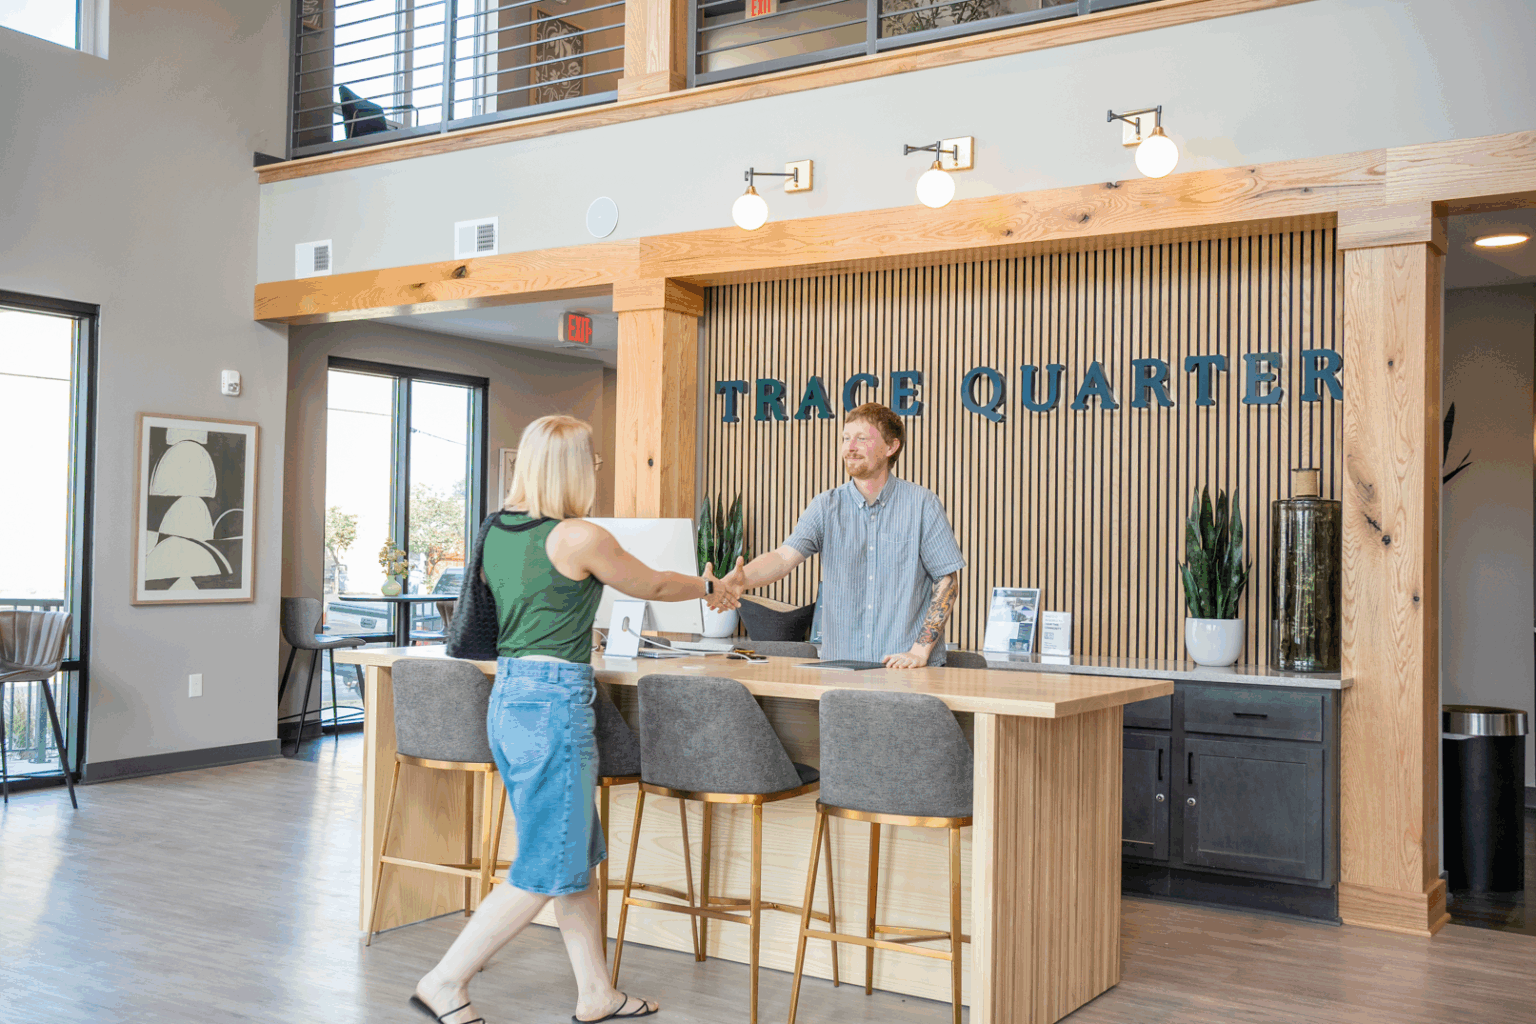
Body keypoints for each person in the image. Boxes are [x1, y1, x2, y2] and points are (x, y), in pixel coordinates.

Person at [413, 415, 730, 1024]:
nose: (599, 469)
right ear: (573, 469)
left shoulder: (495, 529)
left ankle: (596, 993)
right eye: (594, 460)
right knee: (541, 867)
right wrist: (711, 583)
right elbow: (655, 583)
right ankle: (444, 980)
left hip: (510, 699)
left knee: (573, 856)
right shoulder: (578, 536)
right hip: (553, 705)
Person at [714, 402, 965, 668]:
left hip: (907, 670)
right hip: (842, 669)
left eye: (861, 438)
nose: (850, 447)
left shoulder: (922, 504)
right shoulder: (825, 506)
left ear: (891, 447)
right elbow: (784, 556)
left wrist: (918, 651)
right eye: (846, 438)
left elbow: (947, 581)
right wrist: (744, 579)